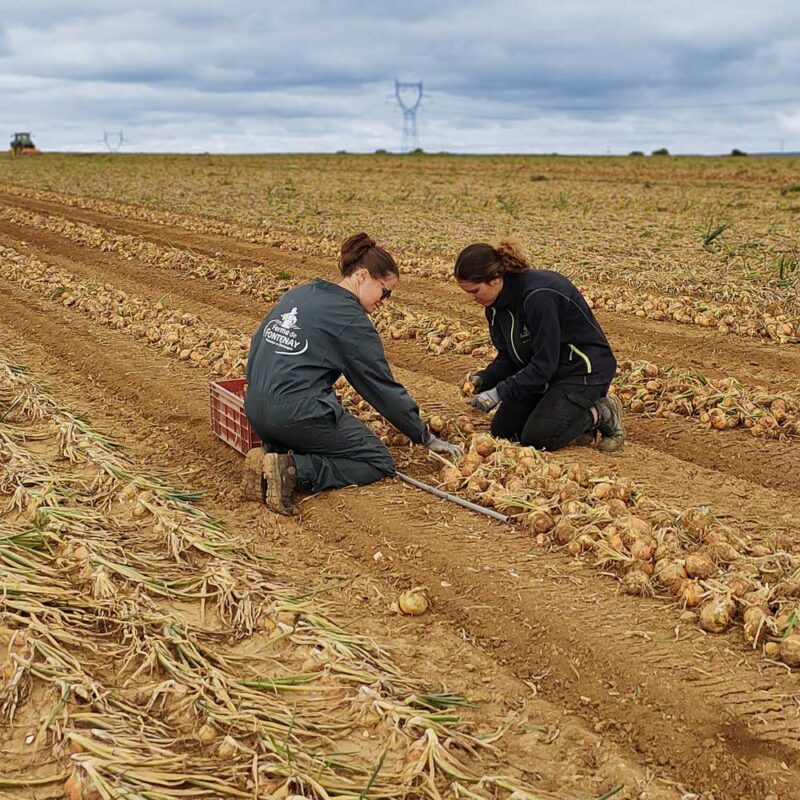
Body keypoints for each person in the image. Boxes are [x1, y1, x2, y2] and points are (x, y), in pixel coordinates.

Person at [243, 232, 463, 514]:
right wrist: (422, 435)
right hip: (295, 415)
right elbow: (380, 387)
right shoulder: (350, 320)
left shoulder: (300, 294)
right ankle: (294, 469)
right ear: (362, 276)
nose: (385, 301)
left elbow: (258, 345)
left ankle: (270, 455)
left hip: (256, 411)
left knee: (315, 428)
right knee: (376, 461)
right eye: (385, 292)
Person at [454, 240, 625, 453]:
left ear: (495, 279)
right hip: (548, 372)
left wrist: (499, 393)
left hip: (582, 371)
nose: (471, 298)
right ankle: (566, 415)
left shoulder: (539, 297)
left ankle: (602, 411)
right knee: (504, 431)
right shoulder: (495, 308)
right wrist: (484, 379)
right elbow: (509, 357)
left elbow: (544, 364)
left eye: (474, 290)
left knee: (539, 438)